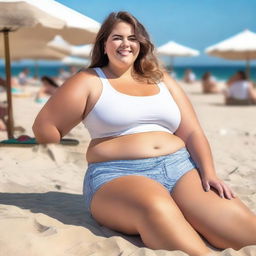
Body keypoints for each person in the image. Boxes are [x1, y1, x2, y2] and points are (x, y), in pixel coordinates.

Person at [33, 11, 256, 256]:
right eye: (117, 37)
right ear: (104, 44)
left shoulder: (161, 78)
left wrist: (209, 172)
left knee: (244, 231)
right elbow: (46, 126)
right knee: (156, 207)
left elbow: (192, 131)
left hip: (180, 168)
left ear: (141, 44)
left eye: (133, 38)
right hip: (117, 174)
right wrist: (52, 137)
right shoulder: (89, 80)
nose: (126, 44)